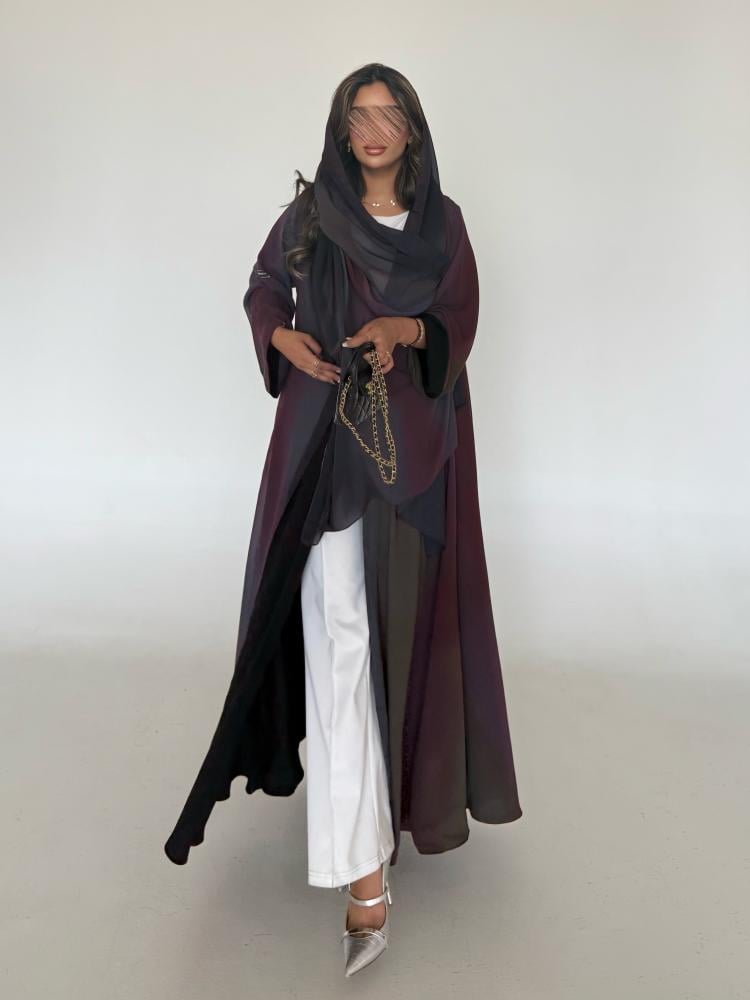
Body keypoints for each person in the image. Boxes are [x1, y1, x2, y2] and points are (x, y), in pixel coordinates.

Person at [163, 61, 523, 978]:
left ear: (412, 128)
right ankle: (363, 874)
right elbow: (263, 286)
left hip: (412, 457)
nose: (373, 129)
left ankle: (379, 815)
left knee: (399, 637)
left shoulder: (442, 225)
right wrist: (279, 334)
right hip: (322, 444)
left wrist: (405, 331)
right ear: (340, 126)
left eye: (389, 113)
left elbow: (458, 318)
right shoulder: (313, 215)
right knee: (338, 635)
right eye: (358, 114)